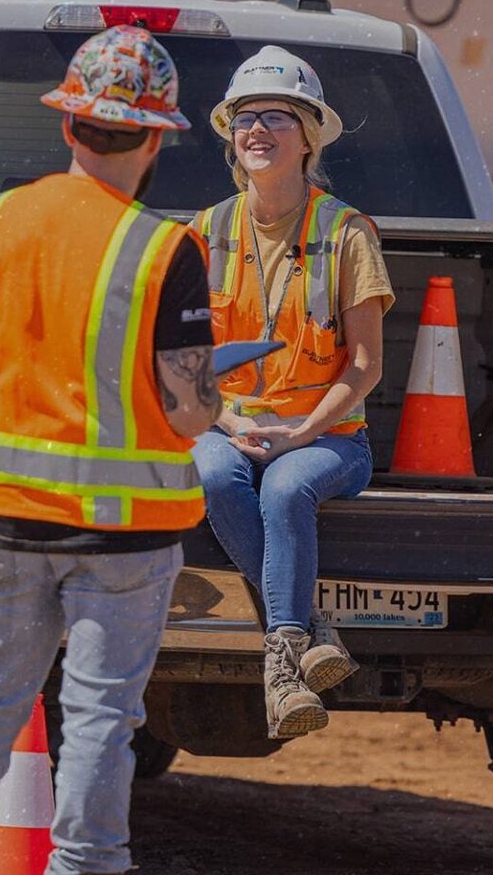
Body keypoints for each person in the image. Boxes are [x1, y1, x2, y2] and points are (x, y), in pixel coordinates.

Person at [0, 25, 221, 875]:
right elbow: (189, 411)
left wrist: (5, 466)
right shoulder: (164, 250)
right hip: (128, 537)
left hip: (12, 521)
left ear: (67, 126)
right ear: (157, 136)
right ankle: (86, 866)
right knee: (99, 717)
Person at [190, 46, 394, 740]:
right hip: (229, 430)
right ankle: (313, 628)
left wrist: (300, 433)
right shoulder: (204, 232)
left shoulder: (346, 232)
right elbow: (179, 360)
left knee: (284, 490)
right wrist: (226, 420)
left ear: (308, 136)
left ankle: (281, 669)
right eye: (245, 118)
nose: (257, 130)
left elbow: (365, 365)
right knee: (214, 478)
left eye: (276, 116)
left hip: (329, 438)